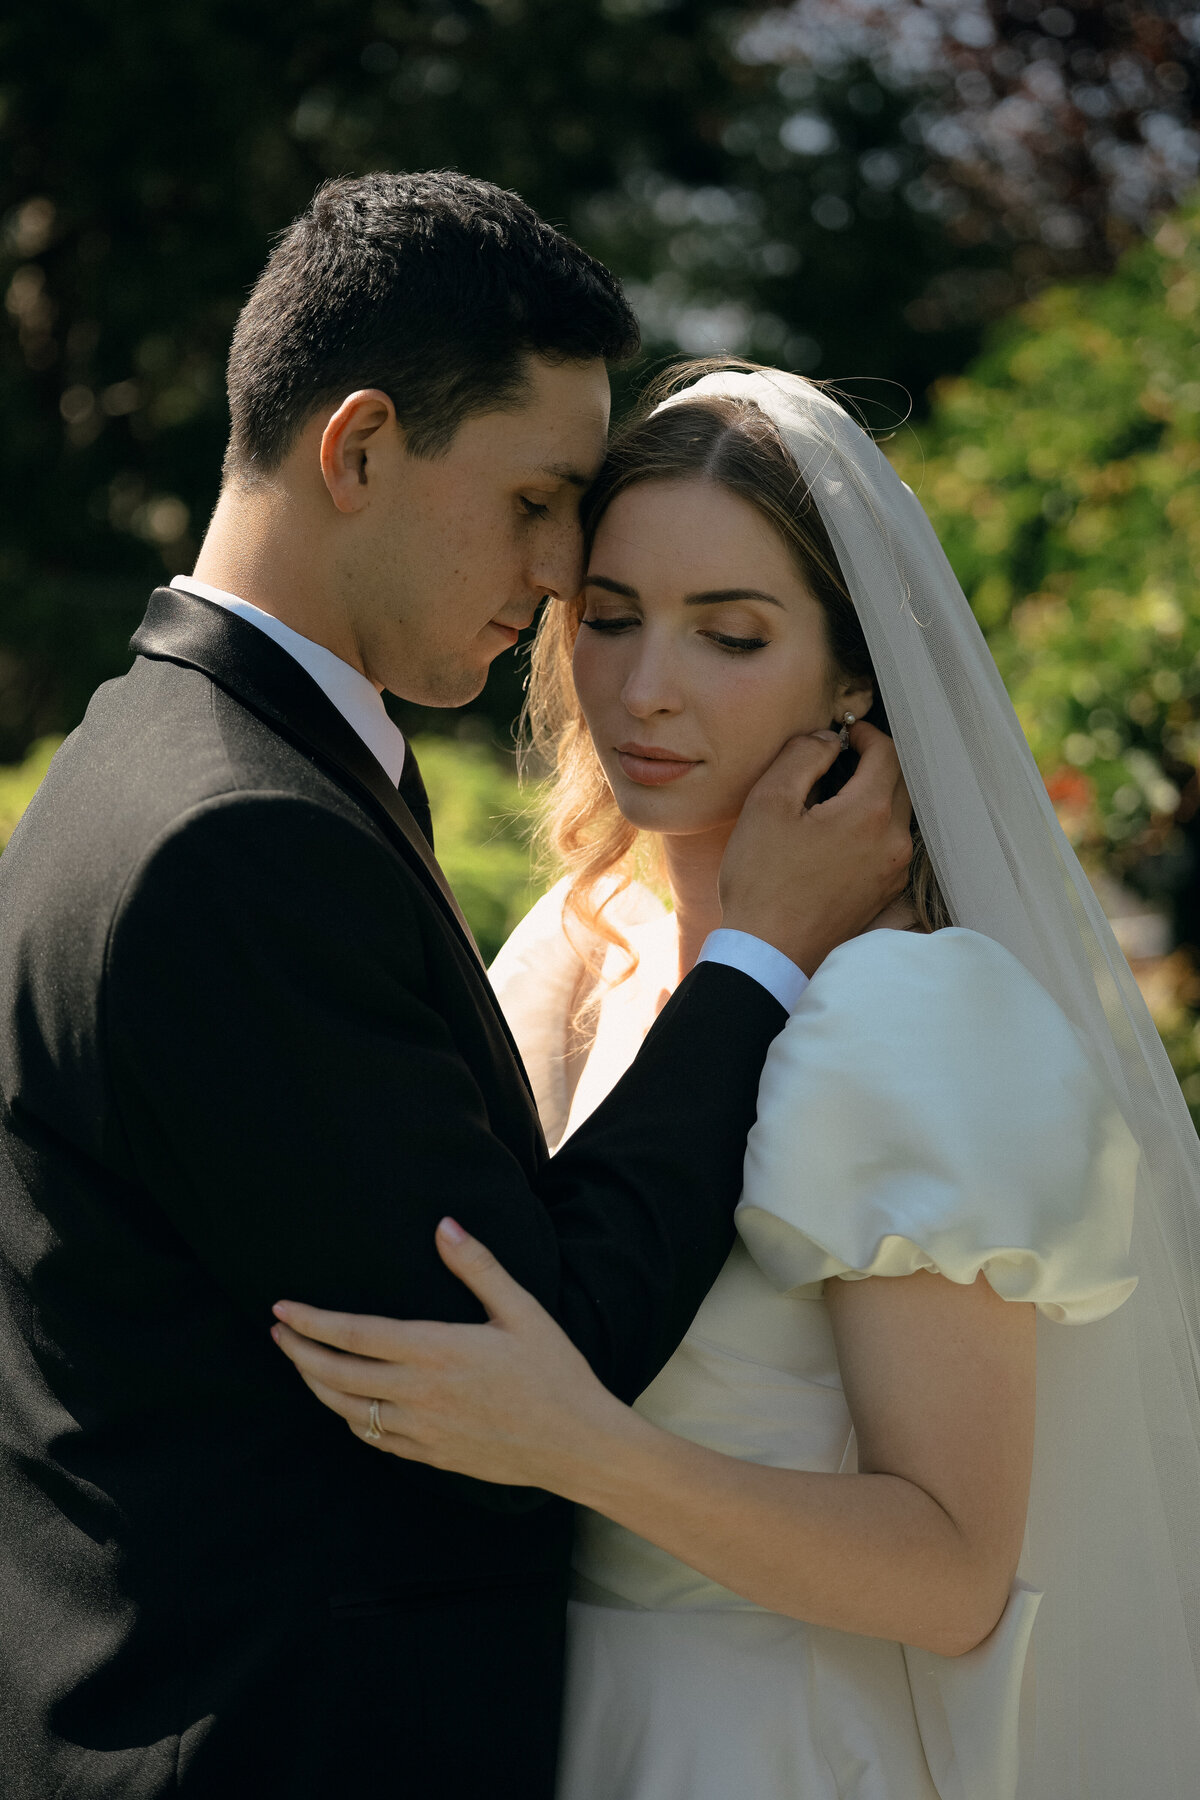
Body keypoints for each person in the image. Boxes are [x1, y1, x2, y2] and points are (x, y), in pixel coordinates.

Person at [0, 191, 912, 1799]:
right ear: (358, 450)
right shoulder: (239, 840)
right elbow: (526, 1353)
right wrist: (761, 954)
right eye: (538, 501)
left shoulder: (151, 760)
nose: (567, 573)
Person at [275, 365, 1200, 1800]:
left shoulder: (908, 1014)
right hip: (528, 1728)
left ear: (849, 676)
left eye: (732, 636)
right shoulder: (574, 943)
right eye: (613, 617)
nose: (648, 688)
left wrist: (584, 1450)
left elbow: (955, 1570)